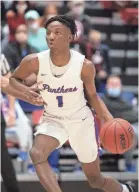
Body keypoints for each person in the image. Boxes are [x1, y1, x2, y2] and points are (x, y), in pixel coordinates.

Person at [9, 15, 134, 192]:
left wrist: (108, 119)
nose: (51, 36)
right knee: (36, 153)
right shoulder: (33, 61)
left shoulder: (85, 65)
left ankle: (124, 189)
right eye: (49, 32)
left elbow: (93, 96)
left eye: (57, 32)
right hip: (53, 118)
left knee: (95, 180)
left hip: (80, 120)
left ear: (70, 37)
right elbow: (14, 79)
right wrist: (26, 91)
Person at [101, 75, 138, 172]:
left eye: (116, 84)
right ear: (106, 86)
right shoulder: (100, 99)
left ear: (121, 87)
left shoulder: (128, 98)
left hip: (127, 127)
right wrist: (122, 114)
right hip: (106, 128)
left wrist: (117, 115)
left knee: (132, 132)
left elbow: (134, 115)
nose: (114, 86)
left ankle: (129, 164)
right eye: (111, 84)